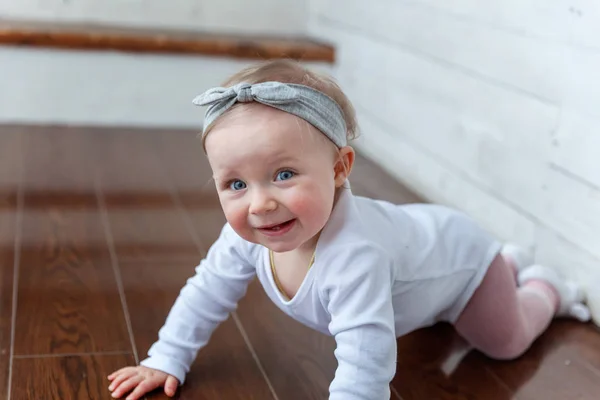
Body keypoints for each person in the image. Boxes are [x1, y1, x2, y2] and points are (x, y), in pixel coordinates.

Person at [107, 59, 591, 400]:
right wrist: (165, 357)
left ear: (340, 169)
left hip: (465, 263)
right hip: (423, 254)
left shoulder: (355, 255)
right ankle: (508, 266)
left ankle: (544, 285)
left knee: (502, 343)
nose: (260, 203)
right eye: (236, 183)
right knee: (439, 323)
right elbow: (207, 290)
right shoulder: (246, 235)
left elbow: (366, 361)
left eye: (283, 175)